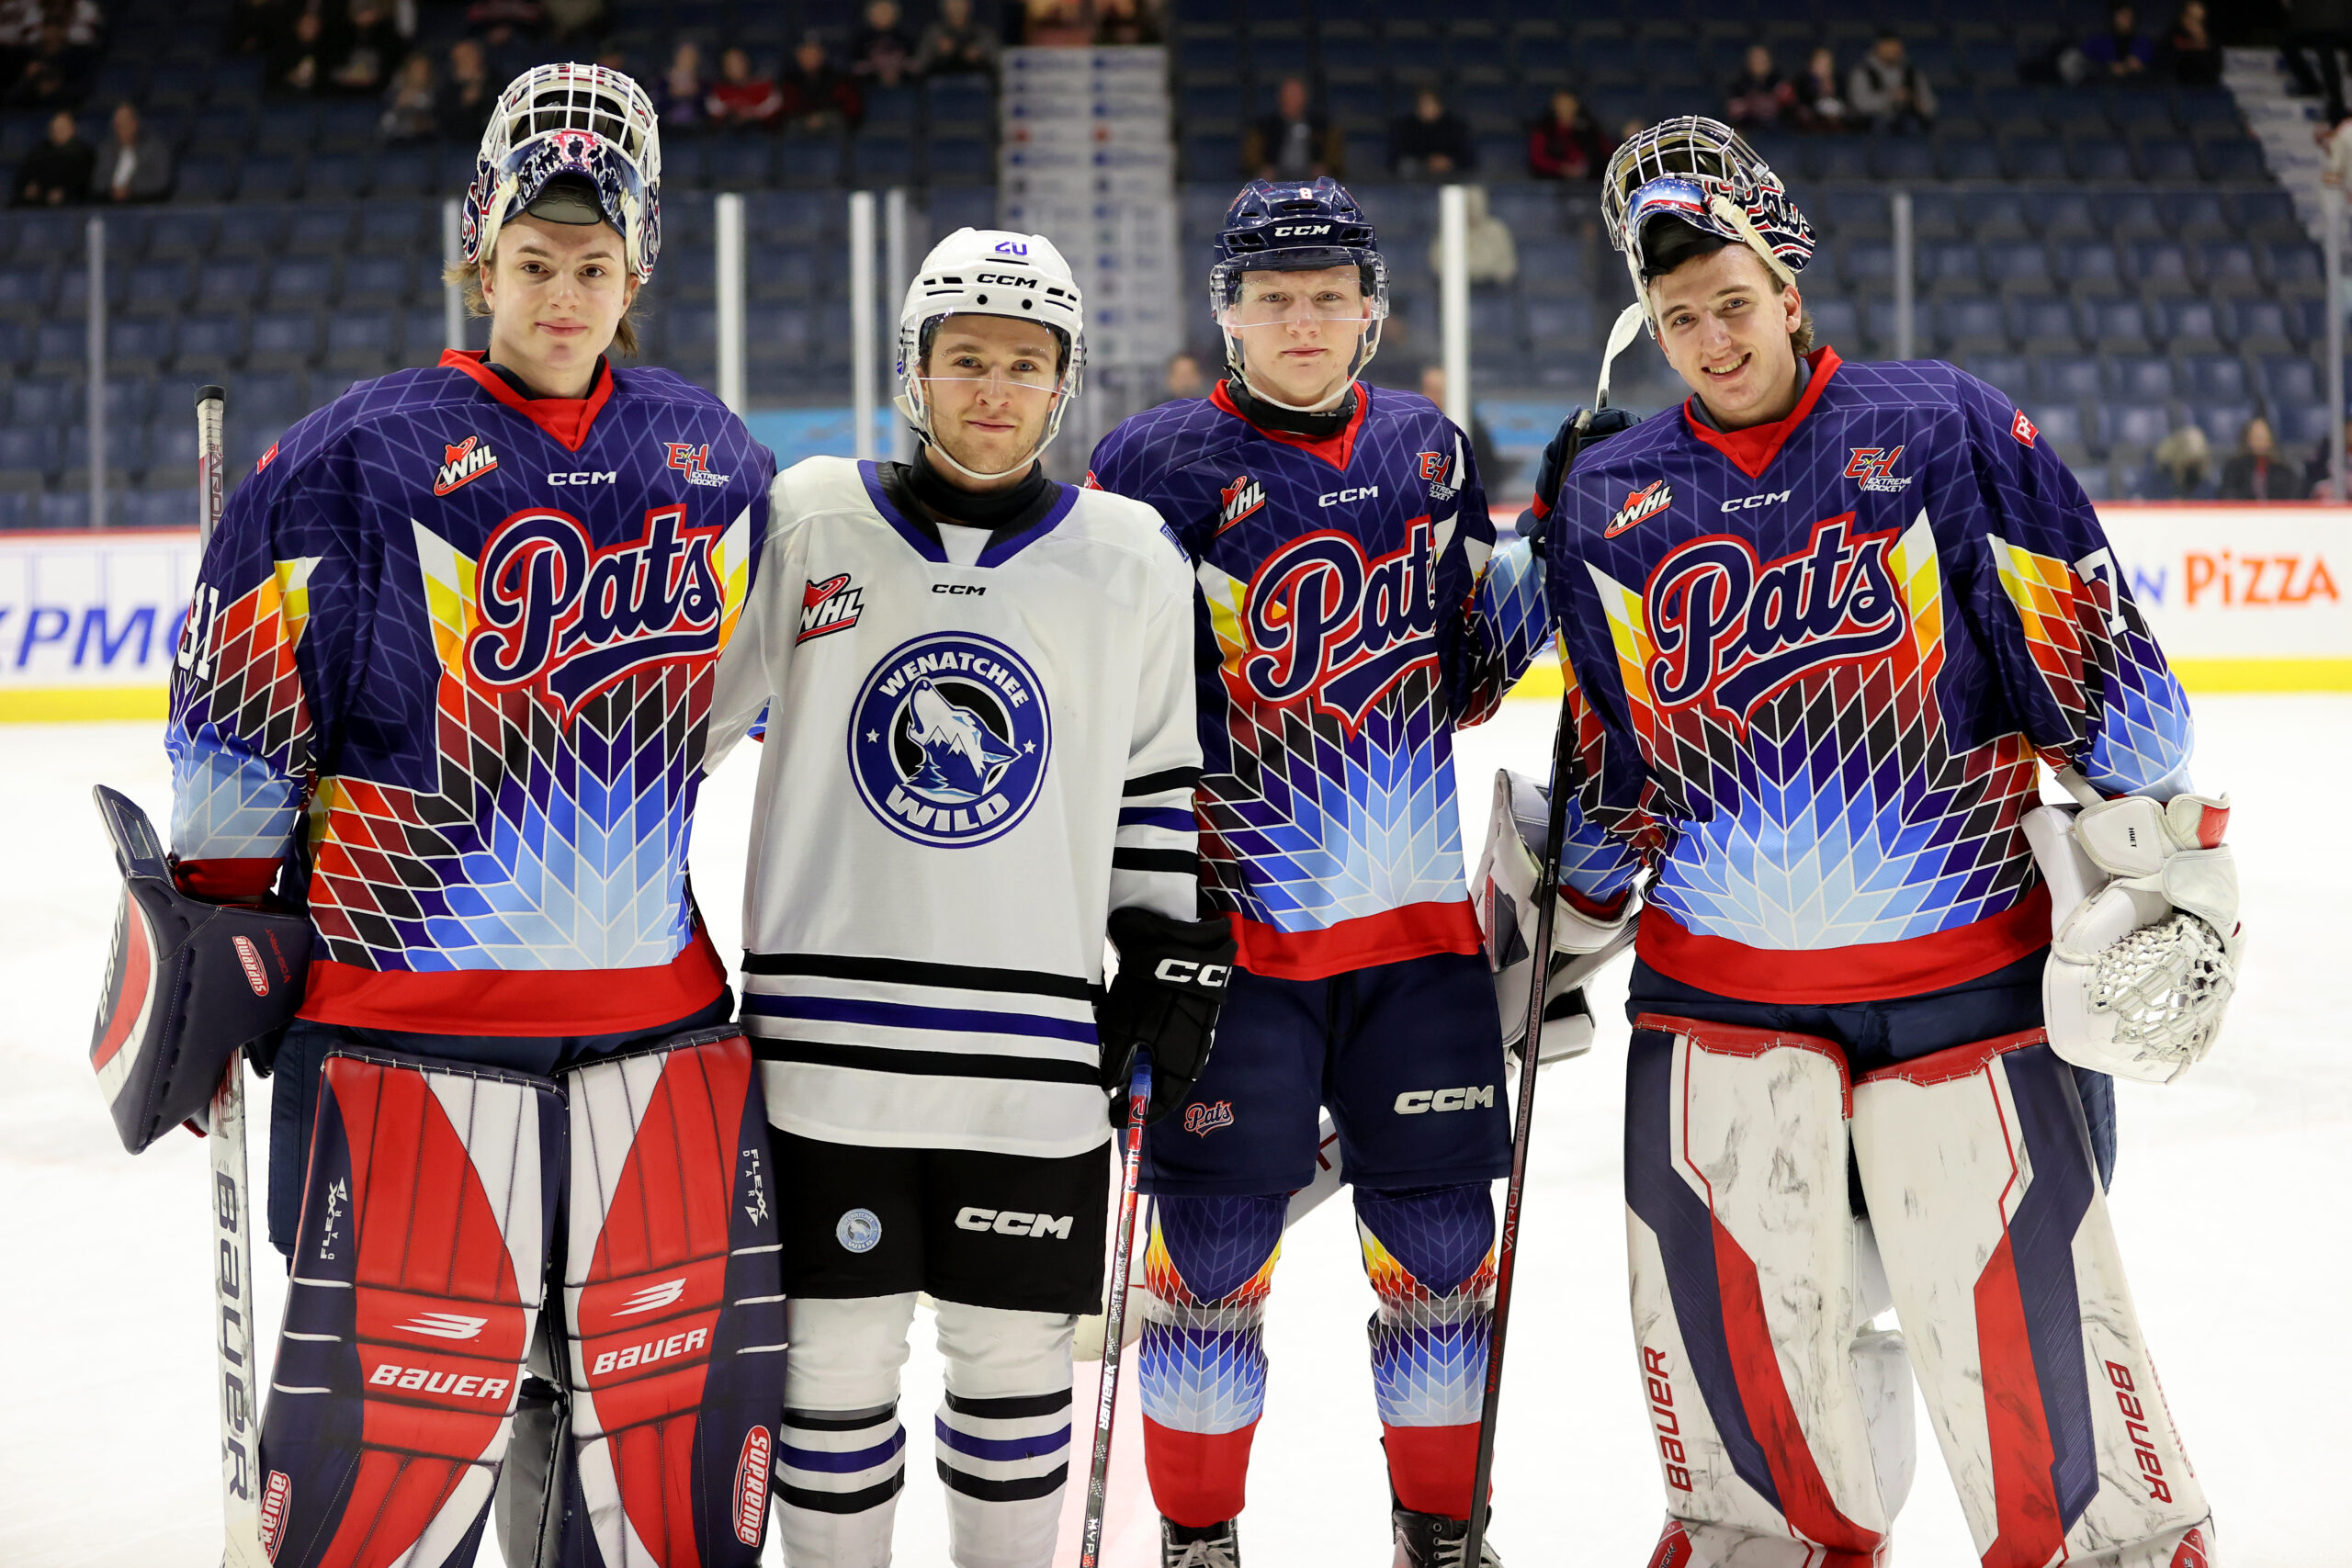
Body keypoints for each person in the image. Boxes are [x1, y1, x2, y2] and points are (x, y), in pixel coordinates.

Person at [1526, 113, 2225, 1568]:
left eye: (1734, 302)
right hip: (1719, 1003)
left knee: (2047, 1411)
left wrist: (2155, 835)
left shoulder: (1936, 424)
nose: (1713, 339)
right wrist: (1562, 910)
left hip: (1964, 986)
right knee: (1759, 1424)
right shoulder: (1607, 495)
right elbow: (1611, 750)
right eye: (1679, 318)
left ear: (1790, 292)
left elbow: (2091, 659)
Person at [159, 63, 786, 1567]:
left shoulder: (715, 459)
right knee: (399, 1465)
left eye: (593, 264)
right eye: (533, 260)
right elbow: (238, 716)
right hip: (401, 1036)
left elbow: (749, 702)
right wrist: (220, 924)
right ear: (478, 257)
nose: (562, 294)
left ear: (638, 269)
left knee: (630, 1489)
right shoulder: (355, 455)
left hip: (649, 1037)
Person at [706, 226, 1227, 1568]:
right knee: (830, 1366)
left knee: (1014, 1365)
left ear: (1064, 381)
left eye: (1024, 363)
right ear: (915, 369)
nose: (994, 388)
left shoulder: (1131, 555)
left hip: (1032, 1062)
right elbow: (672, 732)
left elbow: (1155, 787)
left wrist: (1162, 947)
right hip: (820, 1064)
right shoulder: (809, 517)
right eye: (967, 358)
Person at [1085, 176, 1554, 1568]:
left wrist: (1559, 535)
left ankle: (1439, 1530)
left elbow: (1469, 678)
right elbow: (1100, 694)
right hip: (1229, 950)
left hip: (1415, 948)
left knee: (1444, 1253)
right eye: (1274, 296)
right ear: (1227, 312)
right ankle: (1197, 1539)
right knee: (1211, 1260)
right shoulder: (1152, 460)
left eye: (1329, 296)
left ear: (1371, 312)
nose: (1303, 319)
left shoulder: (1426, 447)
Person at [1419, 364, 1506, 494]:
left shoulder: (1471, 431)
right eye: (1426, 389)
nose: (1427, 397)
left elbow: (1487, 481)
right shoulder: (1416, 428)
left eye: (1435, 391)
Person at [1243, 73, 1342, 181]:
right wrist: (1262, 170)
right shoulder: (1263, 127)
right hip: (1274, 182)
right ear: (1280, 97)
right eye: (1288, 94)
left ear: (1305, 97)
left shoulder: (1323, 127)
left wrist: (1325, 169)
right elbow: (1251, 160)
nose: (1292, 99)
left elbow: (1334, 160)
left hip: (1312, 183)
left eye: (1296, 94)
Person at [1847, 32, 1935, 132]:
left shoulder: (1913, 74)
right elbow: (1860, 105)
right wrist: (1891, 97)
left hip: (1908, 125)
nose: (1893, 51)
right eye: (1889, 47)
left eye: (1897, 47)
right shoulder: (1862, 72)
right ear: (1878, 48)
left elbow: (1930, 106)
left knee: (1914, 125)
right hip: (1873, 127)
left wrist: (1915, 102)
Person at [781, 31, 862, 132]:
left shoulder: (838, 79)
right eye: (806, 53)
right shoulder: (788, 80)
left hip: (831, 129)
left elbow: (852, 111)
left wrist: (824, 118)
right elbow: (783, 111)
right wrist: (805, 118)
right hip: (799, 128)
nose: (810, 57)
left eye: (814, 53)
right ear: (798, 55)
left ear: (822, 54)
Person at [91, 101, 171, 203]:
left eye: (125, 124)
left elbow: (160, 182)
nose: (121, 129)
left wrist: (131, 189)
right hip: (109, 204)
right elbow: (97, 182)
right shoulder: (106, 150)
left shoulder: (155, 148)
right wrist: (112, 190)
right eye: (117, 125)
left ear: (135, 124)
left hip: (145, 205)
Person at [1527, 87, 1611, 180]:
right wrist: (1562, 168)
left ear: (1577, 105)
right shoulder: (1544, 129)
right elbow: (1537, 160)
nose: (1566, 108)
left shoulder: (1589, 128)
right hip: (1552, 181)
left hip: (1589, 181)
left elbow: (1606, 153)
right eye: (1562, 104)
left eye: (1569, 103)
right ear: (1554, 105)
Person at [1391, 85, 1474, 179]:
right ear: (1416, 108)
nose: (1427, 108)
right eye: (1423, 105)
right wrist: (1426, 163)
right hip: (1415, 181)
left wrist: (1449, 163)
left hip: (1453, 179)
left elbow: (1469, 160)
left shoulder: (1456, 127)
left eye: (1431, 104)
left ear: (1440, 105)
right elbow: (1396, 160)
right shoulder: (1405, 128)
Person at [13, 107, 90, 205]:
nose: (57, 132)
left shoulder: (83, 153)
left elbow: (83, 182)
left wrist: (65, 192)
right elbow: (24, 176)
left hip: (70, 203)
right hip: (36, 201)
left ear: (73, 130)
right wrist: (28, 188)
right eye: (54, 129)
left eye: (62, 129)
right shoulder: (40, 151)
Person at [916, 0, 1001, 78]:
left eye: (961, 3)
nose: (956, 7)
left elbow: (998, 63)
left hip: (976, 82)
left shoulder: (983, 33)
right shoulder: (933, 33)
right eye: (952, 3)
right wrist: (937, 53)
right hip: (940, 82)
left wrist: (981, 53)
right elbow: (920, 65)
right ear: (943, 6)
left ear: (969, 5)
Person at [706, 44, 782, 130]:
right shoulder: (718, 91)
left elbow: (774, 116)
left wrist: (751, 114)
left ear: (747, 62)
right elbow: (716, 119)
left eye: (738, 62)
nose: (735, 67)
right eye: (729, 64)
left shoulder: (765, 86)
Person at [1723, 42, 1794, 129]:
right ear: (1748, 63)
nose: (1758, 63)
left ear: (1769, 61)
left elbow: (1790, 111)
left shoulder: (1780, 82)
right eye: (1755, 60)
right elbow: (1735, 115)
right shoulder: (1738, 85)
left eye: (1762, 60)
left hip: (1779, 130)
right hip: (1750, 130)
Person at [2219, 412, 2290, 498]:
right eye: (2256, 437)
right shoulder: (2234, 468)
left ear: (2270, 440)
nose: (2259, 441)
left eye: (2263, 437)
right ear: (2247, 439)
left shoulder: (2282, 471)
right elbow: (2227, 494)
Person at [850, 0, 918, 86]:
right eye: (879, 11)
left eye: (887, 11)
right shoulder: (861, 38)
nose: (883, 14)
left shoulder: (906, 37)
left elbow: (915, 65)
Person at [438, 35, 493, 140]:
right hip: (454, 145)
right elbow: (444, 126)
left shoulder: (496, 82)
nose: (464, 62)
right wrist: (465, 103)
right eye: (459, 59)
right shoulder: (446, 90)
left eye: (467, 56)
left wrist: (477, 85)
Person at [2081, 3, 2156, 78]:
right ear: (2114, 16)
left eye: (2130, 16)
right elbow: (2083, 62)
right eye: (2123, 15)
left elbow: (2155, 67)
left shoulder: (2144, 43)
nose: (2128, 20)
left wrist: (2139, 67)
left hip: (2137, 83)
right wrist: (2107, 67)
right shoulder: (2096, 42)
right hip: (2103, 82)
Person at [377, 49, 437, 141]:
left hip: (424, 142)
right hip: (395, 141)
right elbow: (383, 128)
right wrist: (398, 105)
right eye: (415, 69)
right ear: (408, 71)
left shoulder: (434, 95)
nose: (418, 74)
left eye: (422, 70)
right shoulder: (393, 93)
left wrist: (417, 101)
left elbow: (432, 123)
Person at [1792, 44, 1849, 131]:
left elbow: (1844, 100)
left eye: (1826, 63)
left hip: (1836, 121)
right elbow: (1803, 102)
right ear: (1811, 64)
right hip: (1812, 123)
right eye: (1819, 62)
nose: (1823, 67)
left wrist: (1831, 91)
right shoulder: (1802, 80)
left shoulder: (1838, 80)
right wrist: (1819, 90)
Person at [2162, 0, 2220, 84]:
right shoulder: (2172, 38)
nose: (2194, 25)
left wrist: (2200, 40)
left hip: (2204, 86)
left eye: (2199, 21)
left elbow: (2213, 71)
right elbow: (2168, 65)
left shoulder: (2211, 41)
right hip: (2176, 84)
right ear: (2182, 18)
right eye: (2191, 18)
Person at [655, 38, 705, 131]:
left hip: (696, 133)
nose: (687, 60)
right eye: (684, 56)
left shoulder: (702, 84)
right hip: (667, 132)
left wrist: (696, 95)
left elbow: (707, 114)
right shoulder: (662, 82)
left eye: (691, 57)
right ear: (676, 57)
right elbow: (655, 112)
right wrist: (672, 95)